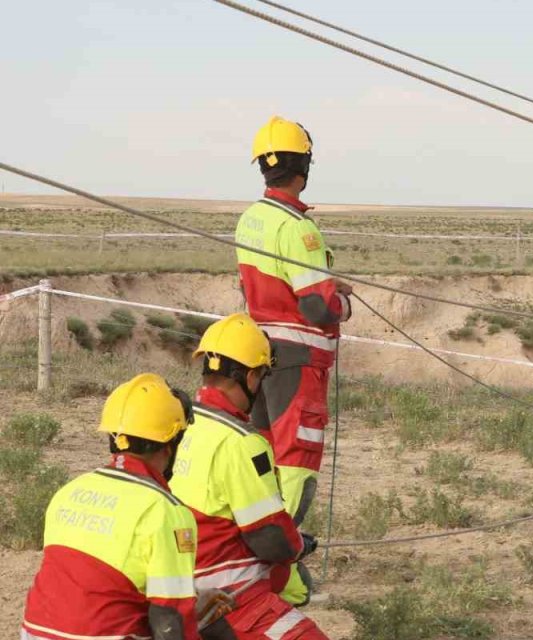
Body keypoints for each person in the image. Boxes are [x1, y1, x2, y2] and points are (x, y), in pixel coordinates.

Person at [235, 115, 351, 605]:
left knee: (260, 465)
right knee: (295, 467)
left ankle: (259, 574)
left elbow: (265, 285)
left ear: (263, 166)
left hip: (258, 357)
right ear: (304, 165)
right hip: (299, 362)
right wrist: (340, 301)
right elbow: (316, 306)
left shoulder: (250, 219)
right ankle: (281, 579)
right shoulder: (298, 229)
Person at [21, 374, 233, 640]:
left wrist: (193, 596)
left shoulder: (69, 491)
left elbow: (98, 584)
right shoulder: (166, 511)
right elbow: (169, 618)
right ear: (171, 444)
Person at [169, 313, 327, 639]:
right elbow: (269, 539)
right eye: (262, 375)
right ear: (252, 376)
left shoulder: (176, 424)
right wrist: (297, 546)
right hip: (227, 596)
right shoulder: (241, 444)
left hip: (172, 589)